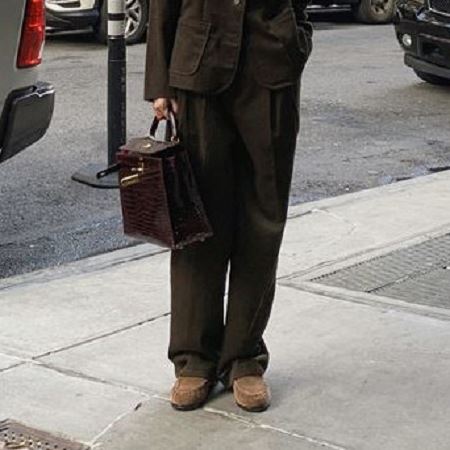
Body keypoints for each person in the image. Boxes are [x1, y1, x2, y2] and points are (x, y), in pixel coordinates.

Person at [145, 0, 313, 412]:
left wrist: (295, 39)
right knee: (197, 219)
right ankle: (193, 359)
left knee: (263, 218)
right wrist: (160, 82)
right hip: (198, 66)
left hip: (270, 68)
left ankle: (244, 358)